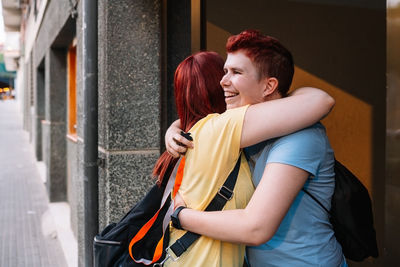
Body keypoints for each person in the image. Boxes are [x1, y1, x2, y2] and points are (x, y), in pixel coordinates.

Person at [166, 30, 347, 267]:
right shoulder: (243, 127)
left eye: (237, 72)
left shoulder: (301, 139)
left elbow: (256, 228)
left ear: (269, 86)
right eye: (225, 71)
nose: (223, 81)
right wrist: (174, 128)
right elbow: (209, 122)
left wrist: (180, 215)